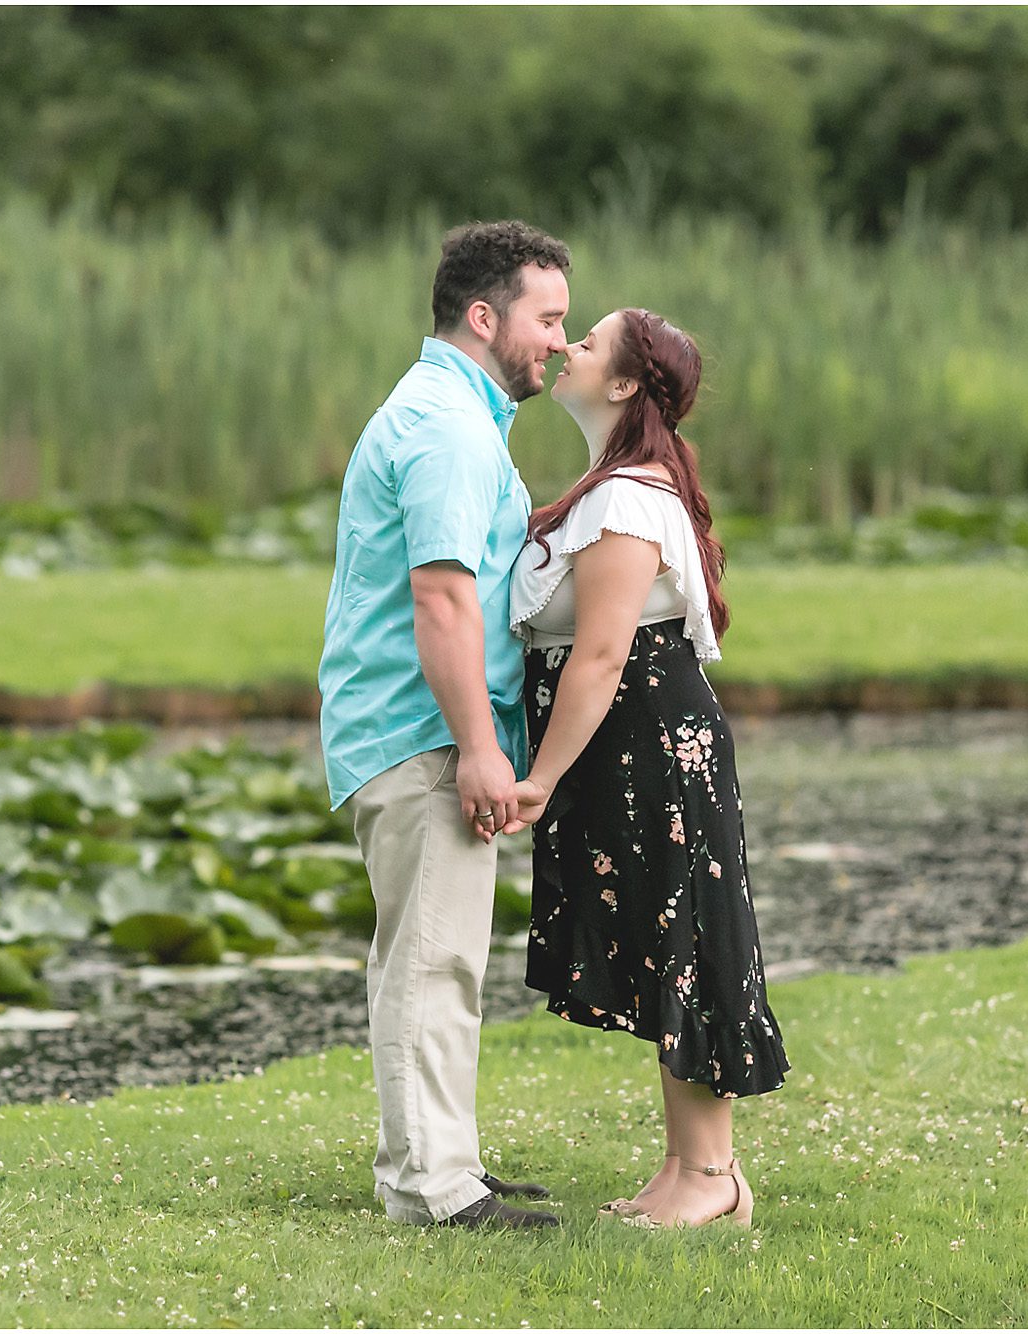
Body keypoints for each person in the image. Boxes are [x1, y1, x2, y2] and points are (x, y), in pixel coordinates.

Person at [504, 306, 790, 1228]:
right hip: (632, 750)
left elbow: (600, 655)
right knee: (662, 939)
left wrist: (538, 780)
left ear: (624, 384)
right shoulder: (615, 484)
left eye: (586, 343)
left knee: (688, 939)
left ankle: (713, 1179)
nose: (566, 348)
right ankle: (686, 1170)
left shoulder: (630, 496)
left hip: (652, 748)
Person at [318, 221, 570, 1230]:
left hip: (409, 724)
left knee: (422, 953)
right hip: (423, 732)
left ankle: (430, 1161)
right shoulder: (449, 429)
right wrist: (476, 744)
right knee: (434, 955)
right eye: (546, 317)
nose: (560, 338)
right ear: (484, 315)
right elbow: (441, 599)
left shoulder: (447, 413)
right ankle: (431, 1187)